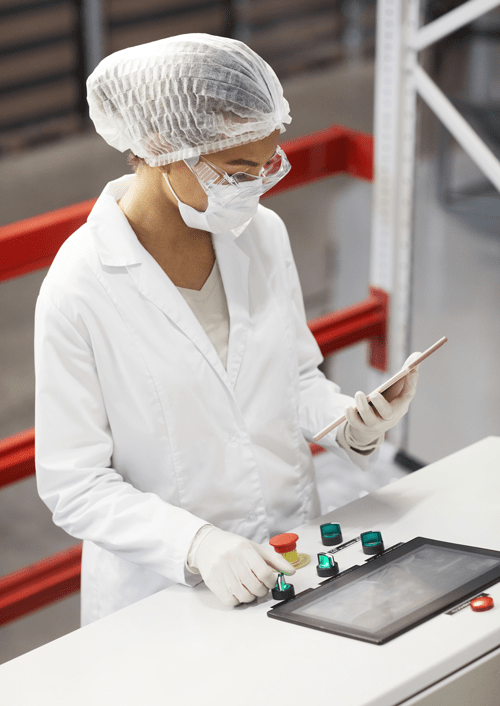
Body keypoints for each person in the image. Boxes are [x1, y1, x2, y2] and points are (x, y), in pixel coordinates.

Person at [34, 34, 420, 626]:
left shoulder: (260, 233)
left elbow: (291, 376)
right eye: (238, 171)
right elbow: (74, 484)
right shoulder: (81, 285)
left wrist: (352, 424)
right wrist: (197, 545)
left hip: (294, 557)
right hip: (167, 598)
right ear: (162, 145)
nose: (258, 187)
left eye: (268, 164)